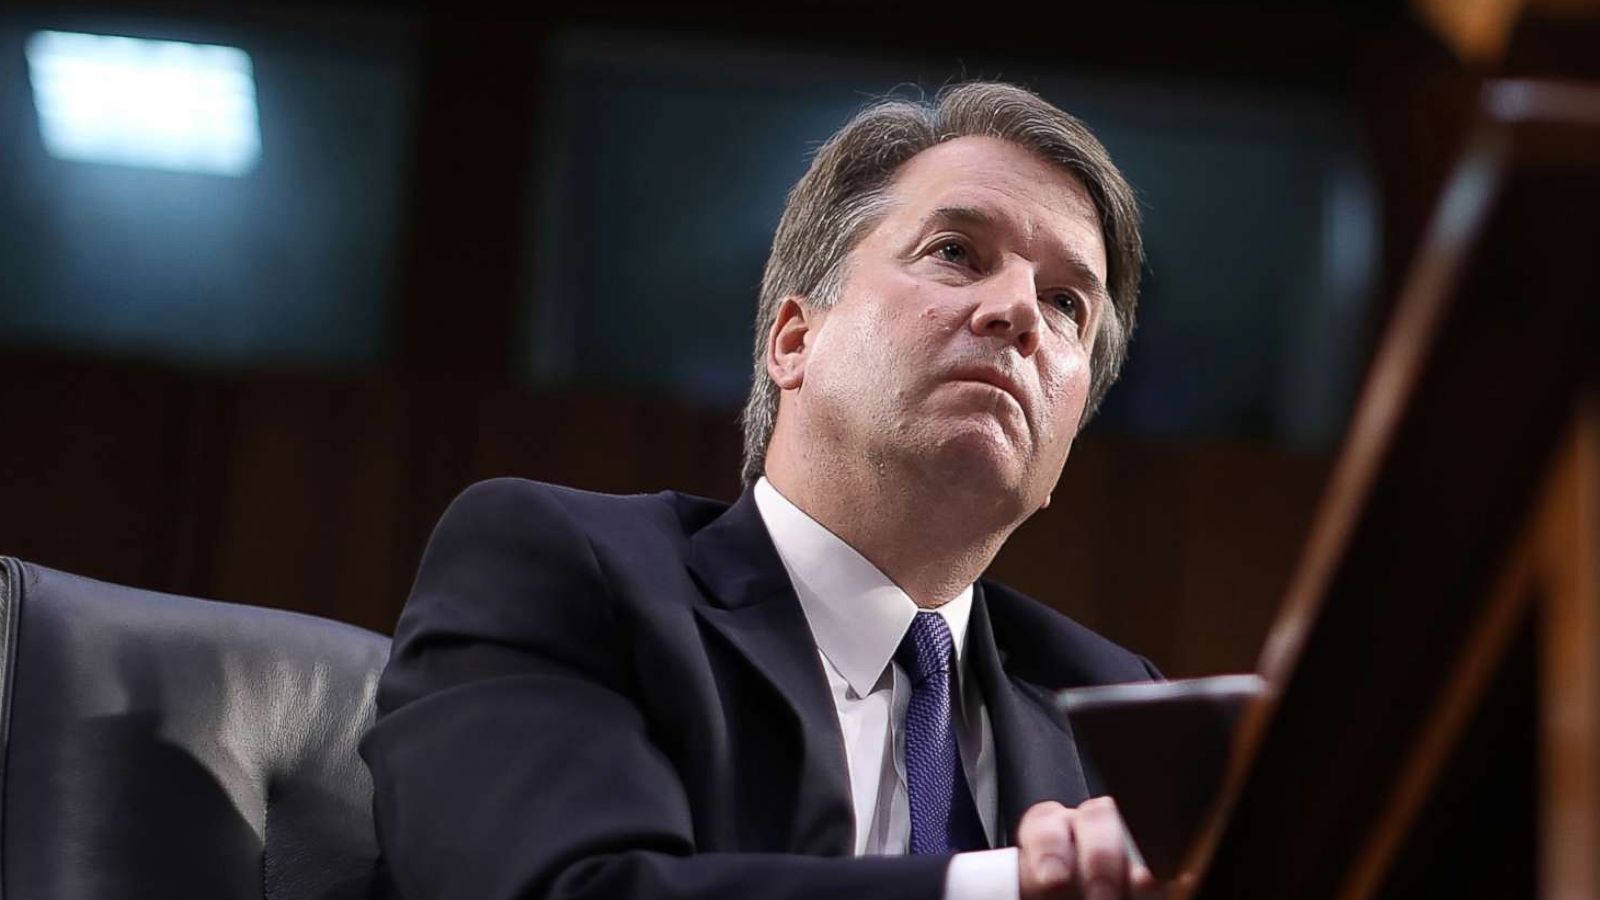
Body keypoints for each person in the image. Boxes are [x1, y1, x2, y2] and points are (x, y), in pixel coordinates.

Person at [361, 80, 1161, 900]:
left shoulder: (1116, 707)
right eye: (955, 252)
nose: (1019, 312)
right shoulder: (553, 567)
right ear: (793, 338)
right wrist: (1008, 889)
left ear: (1066, 441)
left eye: (1067, 304)